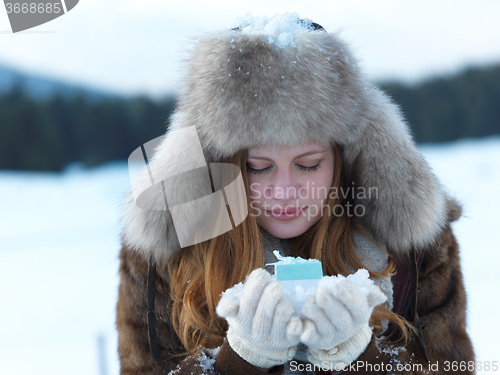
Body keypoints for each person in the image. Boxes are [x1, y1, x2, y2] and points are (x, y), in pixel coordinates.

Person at [116, 13, 475, 375]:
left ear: (344, 157)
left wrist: (360, 358)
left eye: (308, 164)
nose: (284, 192)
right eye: (258, 166)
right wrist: (241, 360)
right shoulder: (165, 257)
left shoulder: (413, 247)